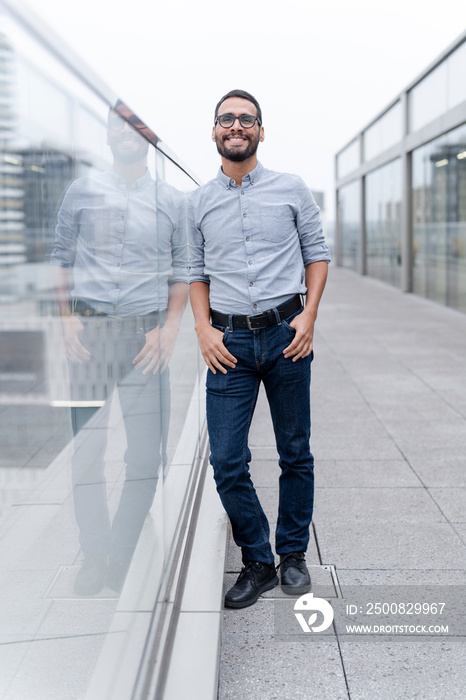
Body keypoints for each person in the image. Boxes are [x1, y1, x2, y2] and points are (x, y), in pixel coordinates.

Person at [188, 89, 330, 609]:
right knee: (226, 459)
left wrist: (309, 315)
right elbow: (194, 274)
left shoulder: (292, 189)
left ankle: (292, 555)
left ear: (261, 131)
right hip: (228, 343)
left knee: (295, 451)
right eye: (227, 118)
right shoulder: (198, 202)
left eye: (246, 119)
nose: (236, 126)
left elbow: (317, 255)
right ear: (214, 130)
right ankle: (258, 560)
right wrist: (203, 330)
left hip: (286, 334)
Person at [51, 102, 188, 595]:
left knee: (145, 458)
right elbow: (60, 259)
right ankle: (94, 554)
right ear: (107, 136)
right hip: (88, 339)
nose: (126, 133)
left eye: (135, 127)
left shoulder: (173, 201)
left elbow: (182, 271)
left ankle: (122, 553)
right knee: (86, 452)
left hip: (144, 342)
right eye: (117, 126)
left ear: (149, 138)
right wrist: (66, 321)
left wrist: (169, 328)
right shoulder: (82, 191)